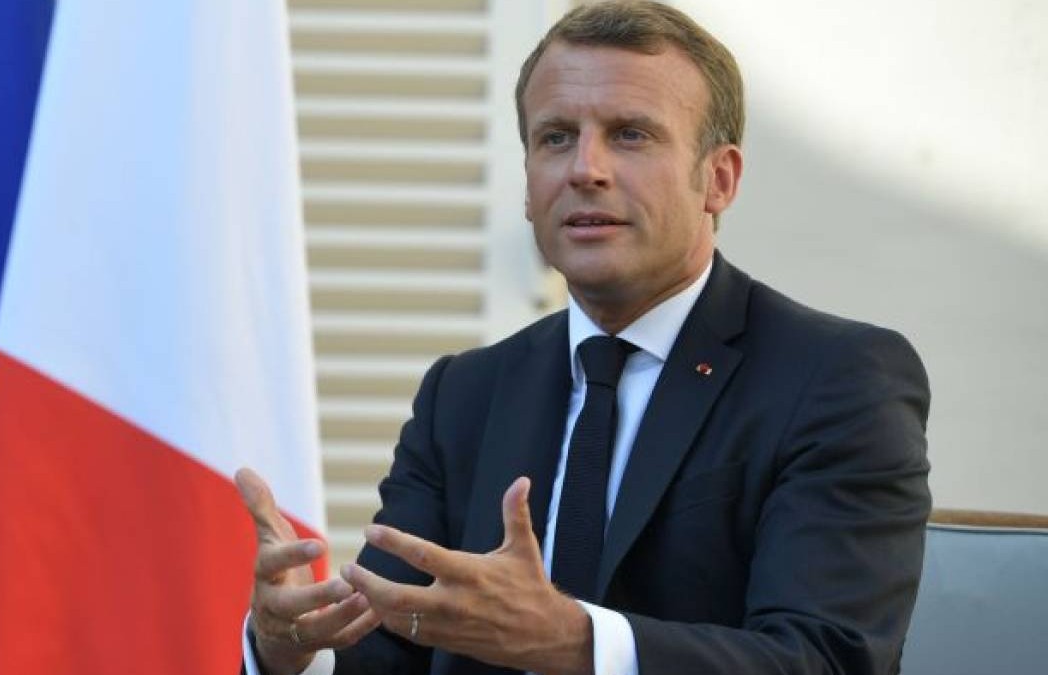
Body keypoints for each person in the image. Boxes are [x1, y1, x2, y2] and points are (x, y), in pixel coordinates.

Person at [239, 1, 931, 673]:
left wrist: (575, 643)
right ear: (527, 182)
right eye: (556, 137)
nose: (584, 168)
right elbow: (387, 649)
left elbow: (825, 657)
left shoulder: (838, 379)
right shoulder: (464, 394)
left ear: (718, 179)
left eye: (630, 134)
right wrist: (290, 652)